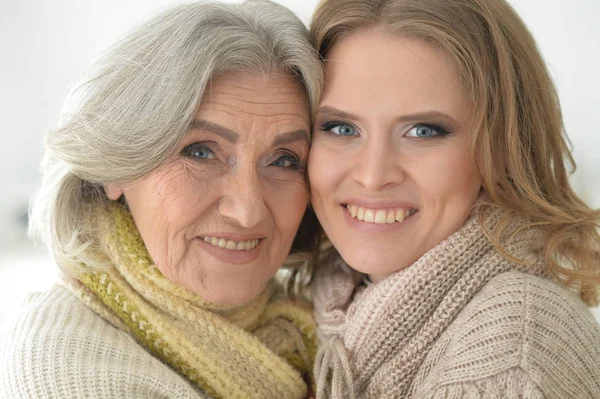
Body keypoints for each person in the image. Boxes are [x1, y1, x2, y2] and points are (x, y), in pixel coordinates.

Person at [0, 1, 323, 398]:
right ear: (117, 164)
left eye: (284, 160)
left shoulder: (317, 326)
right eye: (201, 152)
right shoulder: (67, 371)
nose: (247, 210)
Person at [306, 0, 600, 397]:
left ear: (501, 149)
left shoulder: (507, 363)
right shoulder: (325, 308)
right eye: (341, 128)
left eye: (423, 131)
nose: (373, 176)